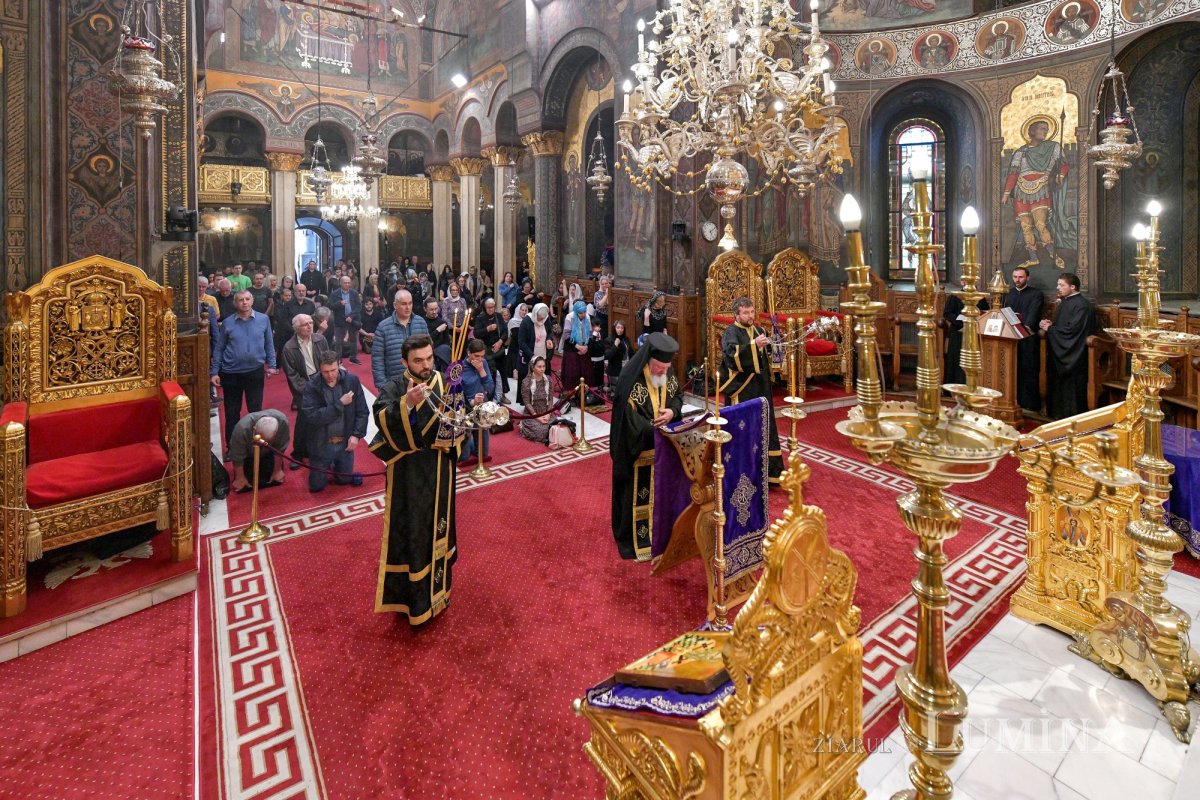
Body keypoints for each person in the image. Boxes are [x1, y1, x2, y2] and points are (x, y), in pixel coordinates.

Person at [370, 334, 460, 624]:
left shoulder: (443, 381)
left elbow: (459, 420)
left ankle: (440, 592)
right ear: (404, 361)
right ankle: (414, 603)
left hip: (440, 470)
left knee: (439, 529)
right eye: (418, 360)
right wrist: (407, 404)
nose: (426, 365)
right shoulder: (394, 387)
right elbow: (382, 418)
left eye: (429, 358)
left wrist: (461, 425)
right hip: (409, 478)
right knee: (414, 533)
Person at [610, 332, 683, 561]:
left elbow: (677, 397)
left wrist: (672, 412)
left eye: (666, 368)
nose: (663, 372)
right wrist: (653, 431)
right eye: (659, 368)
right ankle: (636, 541)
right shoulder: (631, 378)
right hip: (638, 451)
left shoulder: (666, 373)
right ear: (649, 360)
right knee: (638, 495)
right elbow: (629, 421)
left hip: (662, 452)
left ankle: (661, 535)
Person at [720, 297, 783, 482]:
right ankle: (742, 473)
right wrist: (754, 345)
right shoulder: (730, 332)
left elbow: (765, 358)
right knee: (743, 427)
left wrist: (775, 347)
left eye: (752, 312)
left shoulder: (759, 330)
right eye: (745, 313)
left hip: (761, 386)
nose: (750, 316)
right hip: (741, 388)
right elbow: (732, 357)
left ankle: (767, 474)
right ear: (736, 314)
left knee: (763, 425)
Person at [1002, 118, 1075, 270]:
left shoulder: (1053, 147)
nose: (1045, 131)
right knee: (1026, 227)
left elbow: (1064, 164)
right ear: (1032, 131)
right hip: (1021, 191)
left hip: (1041, 188)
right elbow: (1014, 174)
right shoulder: (1020, 152)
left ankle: (1052, 254)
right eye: (1042, 128)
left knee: (1041, 224)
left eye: (1047, 129)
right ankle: (1033, 258)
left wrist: (1060, 175)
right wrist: (1006, 193)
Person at [212, 290, 278, 456]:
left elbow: (269, 343)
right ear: (235, 303)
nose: (244, 302)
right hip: (231, 373)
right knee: (232, 412)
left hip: (254, 372)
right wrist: (214, 372)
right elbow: (219, 349)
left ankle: (255, 445)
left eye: (247, 299)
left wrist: (272, 364)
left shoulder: (263, 320)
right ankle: (232, 448)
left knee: (255, 411)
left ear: (252, 300)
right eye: (241, 300)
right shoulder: (227, 323)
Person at [302, 352, 368, 493]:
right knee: (316, 486)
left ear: (339, 365)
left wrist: (356, 435)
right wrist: (340, 404)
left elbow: (362, 411)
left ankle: (333, 464)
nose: (330, 375)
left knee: (344, 480)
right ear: (319, 369)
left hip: (344, 443)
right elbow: (312, 417)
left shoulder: (352, 381)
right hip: (321, 444)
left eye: (333, 370)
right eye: (325, 372)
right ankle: (326, 464)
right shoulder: (312, 386)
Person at [1039, 273, 1093, 419]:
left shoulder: (1082, 305)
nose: (1058, 287)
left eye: (1061, 285)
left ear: (1073, 286)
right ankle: (1056, 414)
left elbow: (1073, 331)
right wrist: (1050, 326)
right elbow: (1062, 327)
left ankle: (1073, 417)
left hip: (1075, 353)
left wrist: (1050, 329)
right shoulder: (1064, 302)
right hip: (1061, 350)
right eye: (1058, 284)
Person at [371, 289, 430, 390]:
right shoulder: (383, 327)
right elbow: (377, 358)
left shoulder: (421, 322)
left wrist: (430, 376)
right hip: (394, 384)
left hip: (420, 381)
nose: (408, 307)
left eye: (410, 303)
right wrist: (382, 386)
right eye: (403, 304)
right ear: (395, 305)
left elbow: (429, 351)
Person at [1006, 266, 1045, 412]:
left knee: (1028, 370)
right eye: (1015, 277)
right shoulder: (1008, 294)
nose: (1017, 280)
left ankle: (1029, 404)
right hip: (1010, 338)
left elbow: (1033, 315)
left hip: (1028, 338)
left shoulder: (1036, 294)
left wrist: (1026, 326)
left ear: (1027, 278)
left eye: (1021, 277)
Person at [227, 410, 289, 492]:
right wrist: (240, 477)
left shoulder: (282, 423)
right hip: (248, 457)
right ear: (254, 429)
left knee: (273, 480)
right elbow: (237, 456)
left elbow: (280, 449)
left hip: (268, 454)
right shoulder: (242, 429)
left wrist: (277, 470)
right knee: (247, 484)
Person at [458, 339, 496, 466]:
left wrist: (481, 371)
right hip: (466, 411)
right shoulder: (459, 368)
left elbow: (490, 388)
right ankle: (466, 440)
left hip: (482, 411)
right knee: (463, 457)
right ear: (469, 353)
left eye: (482, 356)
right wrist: (472, 401)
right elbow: (456, 397)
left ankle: (472, 441)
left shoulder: (483, 363)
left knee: (483, 454)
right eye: (476, 356)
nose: (479, 359)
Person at [940, 292, 990, 386]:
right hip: (957, 332)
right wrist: (960, 320)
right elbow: (947, 313)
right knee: (956, 359)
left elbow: (985, 312)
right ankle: (954, 386)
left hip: (975, 332)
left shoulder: (980, 298)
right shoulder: (954, 297)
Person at [472, 297, 507, 394]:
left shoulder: (498, 316)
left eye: (492, 307)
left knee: (502, 372)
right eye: (488, 307)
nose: (490, 309)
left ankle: (502, 393)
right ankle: (491, 394)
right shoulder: (480, 318)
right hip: (486, 350)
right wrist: (487, 329)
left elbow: (505, 331)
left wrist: (500, 342)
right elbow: (476, 333)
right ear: (485, 307)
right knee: (491, 373)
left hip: (498, 348)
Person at [519, 355, 555, 444]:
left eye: (543, 366)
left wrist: (548, 414)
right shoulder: (526, 382)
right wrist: (537, 417)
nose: (542, 369)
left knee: (557, 426)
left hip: (546, 412)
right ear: (533, 367)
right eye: (539, 367)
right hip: (532, 414)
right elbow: (527, 403)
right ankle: (523, 426)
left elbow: (550, 399)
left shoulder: (548, 380)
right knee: (541, 431)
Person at [518, 302, 554, 385]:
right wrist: (533, 356)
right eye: (539, 318)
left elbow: (549, 332)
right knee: (527, 385)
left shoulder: (546, 319)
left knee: (542, 383)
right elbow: (521, 342)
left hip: (543, 355)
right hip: (529, 357)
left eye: (543, 318)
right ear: (535, 314)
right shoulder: (526, 321)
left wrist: (549, 340)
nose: (541, 320)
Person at [561, 300, 592, 392]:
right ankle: (571, 393)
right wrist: (578, 346)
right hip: (572, 348)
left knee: (584, 372)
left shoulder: (587, 317)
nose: (583, 315)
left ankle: (583, 393)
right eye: (580, 313)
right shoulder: (569, 317)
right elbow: (566, 335)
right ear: (576, 312)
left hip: (584, 348)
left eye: (584, 312)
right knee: (572, 372)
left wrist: (586, 347)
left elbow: (590, 334)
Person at [330, 275, 362, 364]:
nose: (347, 284)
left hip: (352, 319)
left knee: (353, 340)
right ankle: (339, 361)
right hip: (339, 320)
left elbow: (359, 307)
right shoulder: (335, 293)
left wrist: (351, 316)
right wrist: (339, 303)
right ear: (340, 283)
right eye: (345, 283)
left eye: (348, 283)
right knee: (338, 342)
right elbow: (330, 306)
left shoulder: (354, 293)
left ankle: (353, 358)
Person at [422, 296, 453, 366]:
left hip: (441, 357)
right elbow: (425, 340)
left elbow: (447, 342)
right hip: (426, 355)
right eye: (431, 309)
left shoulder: (442, 322)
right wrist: (438, 330)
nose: (434, 312)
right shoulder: (422, 322)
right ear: (425, 309)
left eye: (436, 309)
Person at [604, 319, 631, 393]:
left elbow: (631, 353)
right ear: (614, 328)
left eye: (622, 328)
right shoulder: (609, 340)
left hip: (626, 368)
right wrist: (615, 345)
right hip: (615, 370)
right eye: (618, 328)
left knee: (626, 390)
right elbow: (607, 355)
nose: (620, 330)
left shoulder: (626, 339)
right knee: (617, 392)